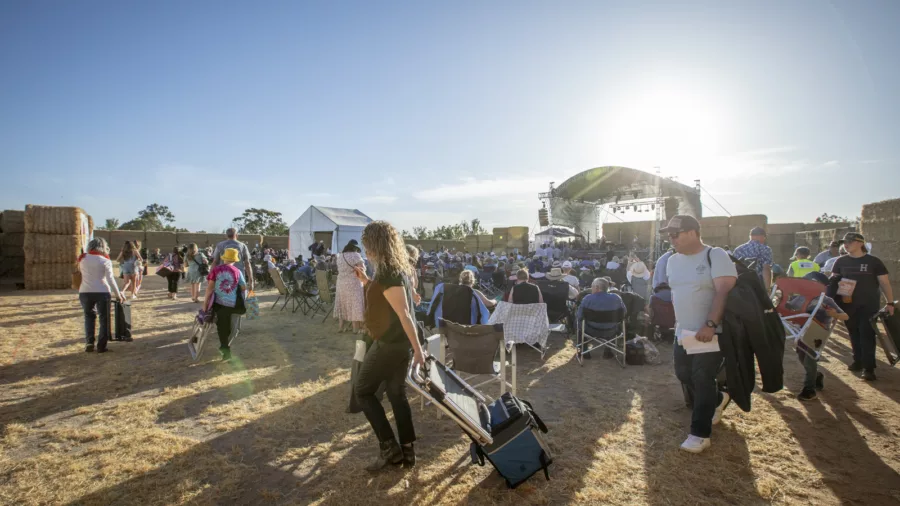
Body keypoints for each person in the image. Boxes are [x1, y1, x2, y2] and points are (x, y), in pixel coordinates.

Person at [660, 215, 737, 454]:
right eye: (668, 235)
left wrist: (711, 324)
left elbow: (722, 293)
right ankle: (717, 400)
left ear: (692, 232)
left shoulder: (715, 255)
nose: (671, 239)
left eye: (675, 234)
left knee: (703, 379)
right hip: (683, 330)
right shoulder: (672, 260)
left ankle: (700, 434)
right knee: (683, 373)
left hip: (709, 331)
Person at [352, 221, 425, 472]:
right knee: (396, 394)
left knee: (363, 392)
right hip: (397, 343)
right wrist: (365, 281)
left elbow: (404, 314)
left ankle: (389, 449)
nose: (365, 251)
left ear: (376, 245)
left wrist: (418, 350)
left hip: (391, 344)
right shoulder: (392, 270)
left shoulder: (390, 273)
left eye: (367, 246)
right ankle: (407, 450)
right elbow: (385, 296)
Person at [829, 232, 894, 381]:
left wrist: (889, 303)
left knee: (867, 334)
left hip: (869, 305)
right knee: (853, 333)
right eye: (844, 242)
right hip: (847, 304)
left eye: (849, 242)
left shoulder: (874, 262)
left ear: (860, 243)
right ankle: (858, 361)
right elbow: (833, 282)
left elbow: (884, 283)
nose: (845, 245)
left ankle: (869, 368)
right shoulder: (840, 261)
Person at [787, 273, 848, 401]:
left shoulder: (827, 300)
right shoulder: (800, 298)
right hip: (801, 331)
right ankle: (816, 375)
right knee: (802, 357)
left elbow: (845, 316)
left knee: (809, 359)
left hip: (818, 333)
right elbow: (789, 308)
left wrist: (834, 314)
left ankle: (809, 389)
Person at [78, 237, 126, 353]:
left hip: (85, 291)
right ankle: (101, 345)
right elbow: (110, 279)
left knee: (89, 317)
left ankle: (89, 342)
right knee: (104, 319)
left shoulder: (83, 259)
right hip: (102, 291)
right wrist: (118, 294)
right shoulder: (105, 261)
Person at [204, 248, 247, 361]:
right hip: (233, 304)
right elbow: (243, 287)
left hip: (219, 303)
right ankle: (225, 347)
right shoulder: (238, 272)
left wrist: (205, 304)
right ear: (235, 260)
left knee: (222, 328)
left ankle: (225, 348)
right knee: (232, 329)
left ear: (224, 258)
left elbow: (209, 288)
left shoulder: (216, 270)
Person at [576, 278, 626, 354]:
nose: (591, 288)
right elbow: (624, 313)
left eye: (592, 286)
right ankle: (608, 350)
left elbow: (579, 316)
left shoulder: (587, 298)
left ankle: (584, 350)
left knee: (579, 322)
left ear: (597, 287)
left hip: (590, 330)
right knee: (611, 322)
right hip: (611, 330)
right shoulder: (616, 298)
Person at [335, 241, 366, 333]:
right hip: (353, 283)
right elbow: (362, 269)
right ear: (354, 248)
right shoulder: (356, 255)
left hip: (341, 283)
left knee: (343, 304)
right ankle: (355, 329)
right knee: (354, 305)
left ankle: (341, 327)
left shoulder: (340, 256)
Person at [733, 227, 774, 291]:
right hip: (757, 285)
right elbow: (766, 269)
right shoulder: (766, 249)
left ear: (750, 236)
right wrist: (767, 289)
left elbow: (733, 268)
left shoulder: (738, 249)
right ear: (762, 236)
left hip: (739, 284)